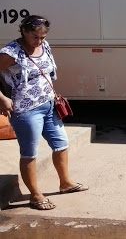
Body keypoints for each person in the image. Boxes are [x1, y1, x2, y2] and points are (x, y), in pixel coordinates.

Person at [0, 15, 88, 210]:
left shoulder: (44, 45)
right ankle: (35, 194)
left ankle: (65, 183)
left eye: (42, 37)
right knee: (30, 152)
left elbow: (46, 72)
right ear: (23, 31)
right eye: (34, 37)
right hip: (26, 110)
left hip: (49, 105)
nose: (38, 41)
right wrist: (2, 98)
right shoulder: (11, 52)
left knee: (61, 144)